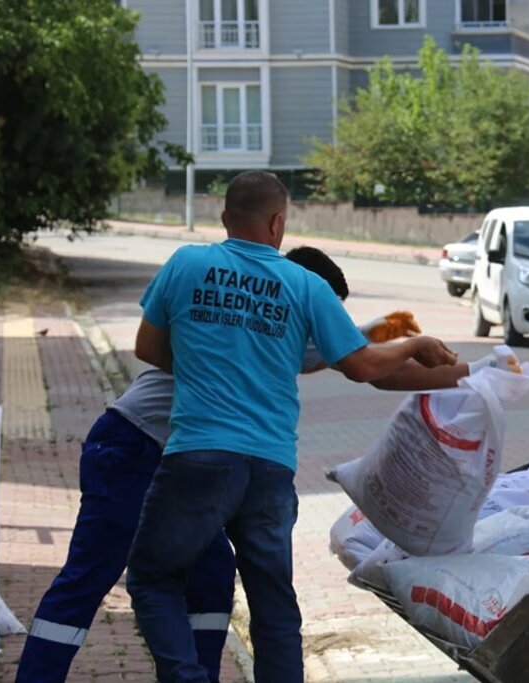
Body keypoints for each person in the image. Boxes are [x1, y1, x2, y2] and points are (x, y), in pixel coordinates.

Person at [13, 246, 428, 683]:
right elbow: (353, 362)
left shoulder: (272, 318)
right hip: (133, 447)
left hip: (187, 466)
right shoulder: (252, 322)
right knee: (92, 575)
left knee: (211, 576)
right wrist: (397, 343)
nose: (320, 321)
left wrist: (459, 369)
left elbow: (339, 357)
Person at [126, 171, 459, 682]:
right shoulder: (306, 285)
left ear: (223, 217)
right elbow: (364, 366)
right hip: (270, 469)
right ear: (279, 223)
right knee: (272, 600)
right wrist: (420, 347)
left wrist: (209, 361)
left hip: (199, 457)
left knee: (153, 576)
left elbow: (147, 348)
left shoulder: (187, 263)